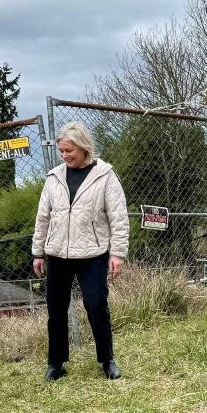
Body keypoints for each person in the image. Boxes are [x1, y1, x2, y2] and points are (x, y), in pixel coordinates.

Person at [33, 122, 129, 381]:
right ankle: (55, 363)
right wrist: (38, 252)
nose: (64, 155)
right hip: (57, 255)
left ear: (84, 147)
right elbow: (43, 217)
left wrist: (117, 253)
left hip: (93, 254)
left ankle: (107, 359)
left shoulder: (105, 175)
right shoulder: (53, 177)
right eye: (61, 151)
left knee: (96, 305)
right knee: (56, 309)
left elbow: (119, 217)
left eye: (69, 151)